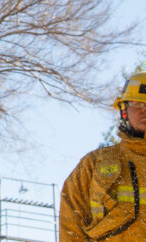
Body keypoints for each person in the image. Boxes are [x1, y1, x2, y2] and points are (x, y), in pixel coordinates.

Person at [59, 71, 146, 240]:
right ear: (125, 110)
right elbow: (71, 224)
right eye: (137, 104)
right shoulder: (94, 164)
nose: (144, 111)